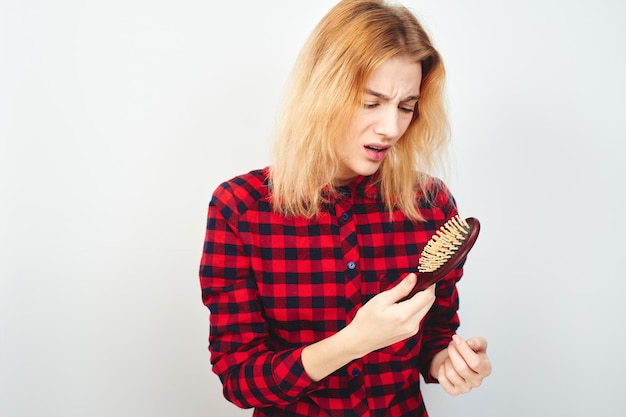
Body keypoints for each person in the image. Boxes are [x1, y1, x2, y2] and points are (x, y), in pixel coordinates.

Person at [199, 0, 492, 415]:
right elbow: (241, 381)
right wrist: (353, 342)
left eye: (406, 106)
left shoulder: (430, 204)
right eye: (371, 103)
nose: (391, 128)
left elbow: (435, 338)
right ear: (323, 92)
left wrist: (450, 364)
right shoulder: (240, 210)